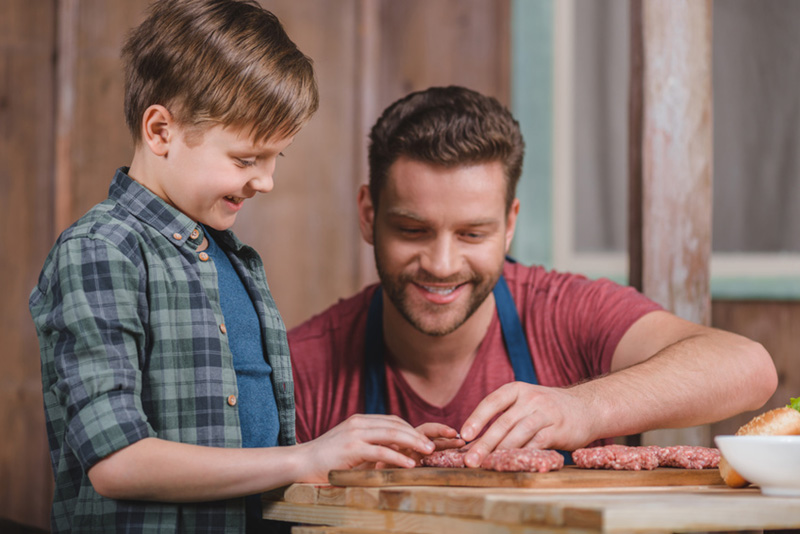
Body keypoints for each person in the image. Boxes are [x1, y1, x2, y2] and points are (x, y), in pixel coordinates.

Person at [28, 2, 437, 532]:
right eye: (245, 160)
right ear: (160, 131)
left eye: (274, 160)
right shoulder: (100, 250)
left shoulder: (232, 256)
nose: (265, 181)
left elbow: (255, 446)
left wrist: (346, 456)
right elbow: (117, 462)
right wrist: (304, 458)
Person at [288, 85, 779, 469]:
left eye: (472, 234)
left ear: (510, 225)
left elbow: (746, 367)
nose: (441, 263)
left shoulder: (563, 312)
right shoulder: (303, 366)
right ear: (369, 214)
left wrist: (583, 409)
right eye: (413, 230)